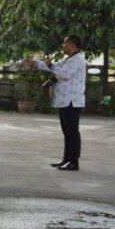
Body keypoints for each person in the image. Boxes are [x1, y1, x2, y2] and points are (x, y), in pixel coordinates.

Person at [22, 35, 86, 171]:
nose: (63, 46)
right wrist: (35, 63)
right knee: (66, 132)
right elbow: (54, 67)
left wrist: (50, 65)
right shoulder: (68, 59)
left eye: (65, 43)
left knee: (72, 132)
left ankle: (74, 162)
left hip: (72, 101)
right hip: (64, 101)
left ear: (72, 45)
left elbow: (65, 74)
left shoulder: (78, 60)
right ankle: (66, 159)